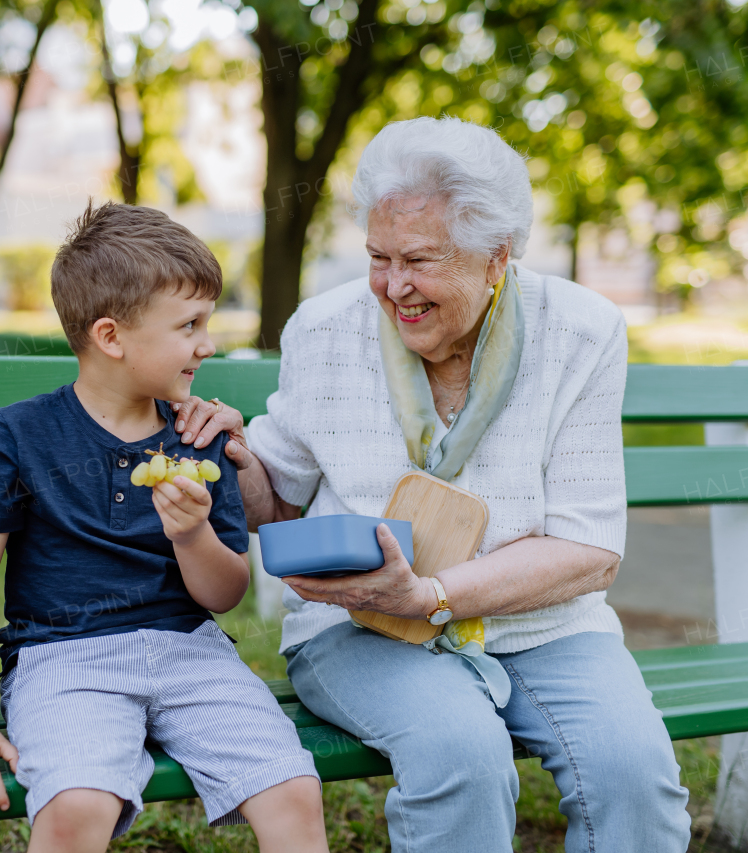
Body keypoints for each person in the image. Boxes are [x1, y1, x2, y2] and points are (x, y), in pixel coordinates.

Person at [169, 116, 692, 853]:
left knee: (634, 773)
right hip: (359, 624)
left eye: (419, 260)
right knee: (463, 757)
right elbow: (277, 503)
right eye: (379, 257)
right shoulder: (324, 330)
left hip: (541, 623)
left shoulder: (581, 331)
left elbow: (588, 548)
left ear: (495, 257)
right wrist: (237, 459)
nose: (393, 287)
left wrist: (435, 595)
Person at [0, 202, 328, 853]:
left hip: (191, 650)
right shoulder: (23, 434)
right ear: (112, 337)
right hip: (64, 659)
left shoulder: (197, 436)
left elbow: (223, 593)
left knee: (292, 789)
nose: (208, 342)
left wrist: (193, 535)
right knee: (76, 806)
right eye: (190, 324)